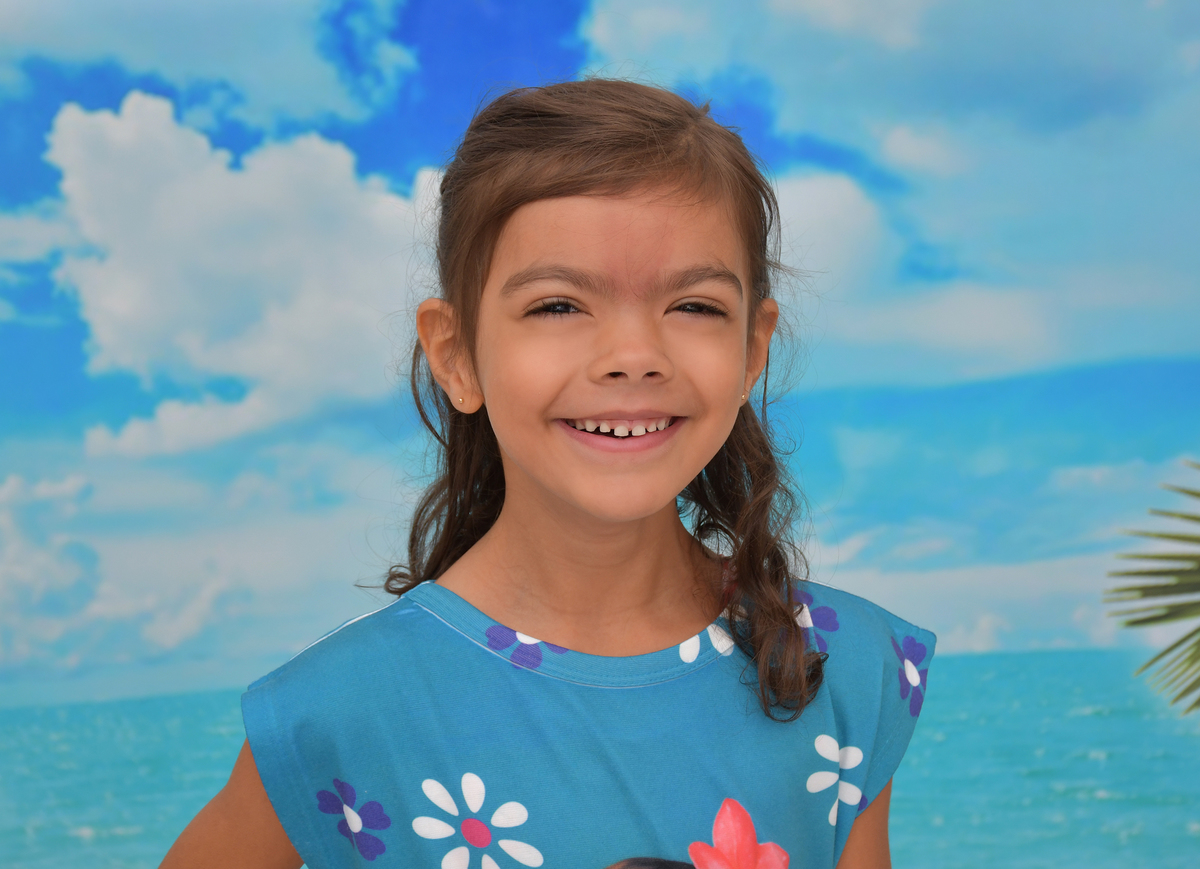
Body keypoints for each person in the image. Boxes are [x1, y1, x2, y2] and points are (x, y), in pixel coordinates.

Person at [160, 78, 934, 869]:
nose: (633, 357)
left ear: (753, 350)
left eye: (695, 306)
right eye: (558, 305)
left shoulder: (840, 667)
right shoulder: (338, 711)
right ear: (456, 354)